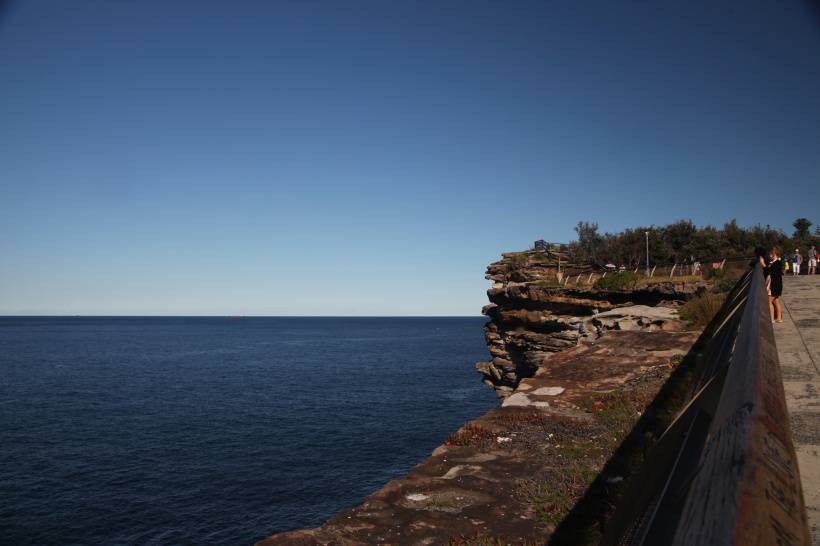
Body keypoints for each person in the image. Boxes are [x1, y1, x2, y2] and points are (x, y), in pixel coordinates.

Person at [767, 247, 784, 323]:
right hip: (777, 285)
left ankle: (772, 319)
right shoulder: (778, 263)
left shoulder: (775, 263)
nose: (769, 255)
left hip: (774, 285)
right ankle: (779, 318)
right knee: (776, 301)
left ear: (774, 254)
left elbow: (771, 273)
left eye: (770, 254)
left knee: (769, 301)